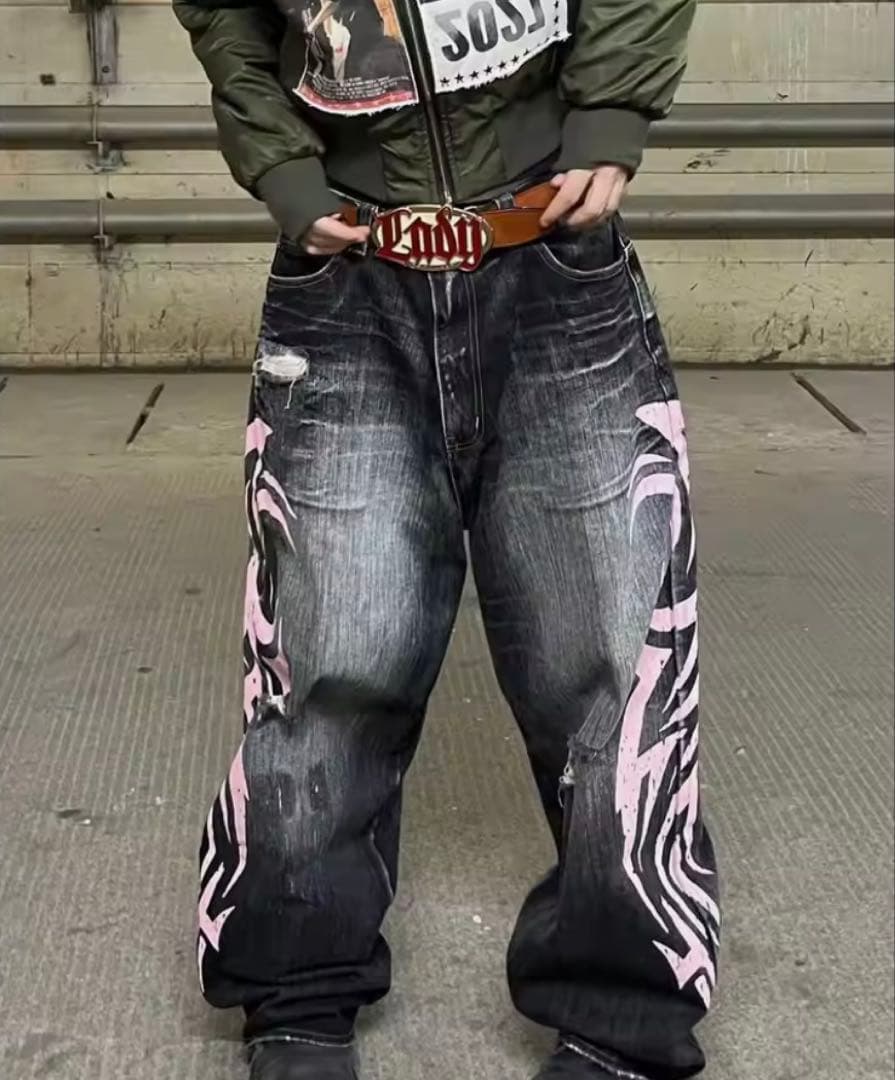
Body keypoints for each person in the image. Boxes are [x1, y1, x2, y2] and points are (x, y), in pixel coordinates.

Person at [173, 0, 719, 1076]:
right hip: (348, 276)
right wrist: (279, 163)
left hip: (551, 255)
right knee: (330, 654)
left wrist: (610, 111)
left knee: (610, 656)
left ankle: (622, 1011)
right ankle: (298, 988)